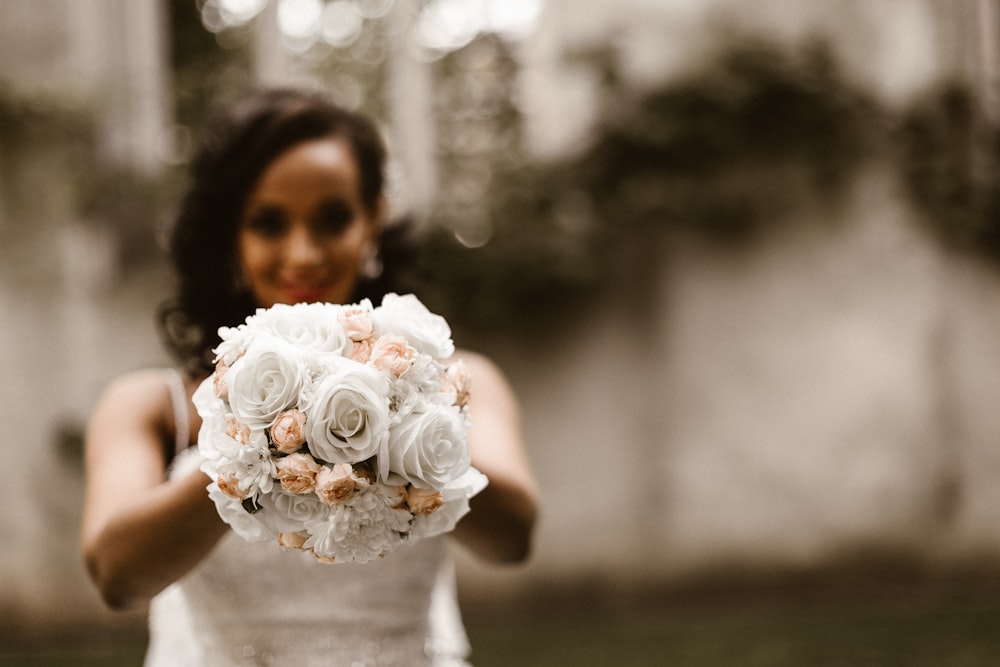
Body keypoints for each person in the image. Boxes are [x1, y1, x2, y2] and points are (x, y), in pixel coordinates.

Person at [81, 87, 539, 666]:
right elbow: (117, 576)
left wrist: (403, 424)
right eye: (268, 223)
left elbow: (513, 539)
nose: (303, 254)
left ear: (372, 219)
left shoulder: (456, 378)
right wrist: (259, 442)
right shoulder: (152, 405)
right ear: (231, 235)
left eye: (333, 218)